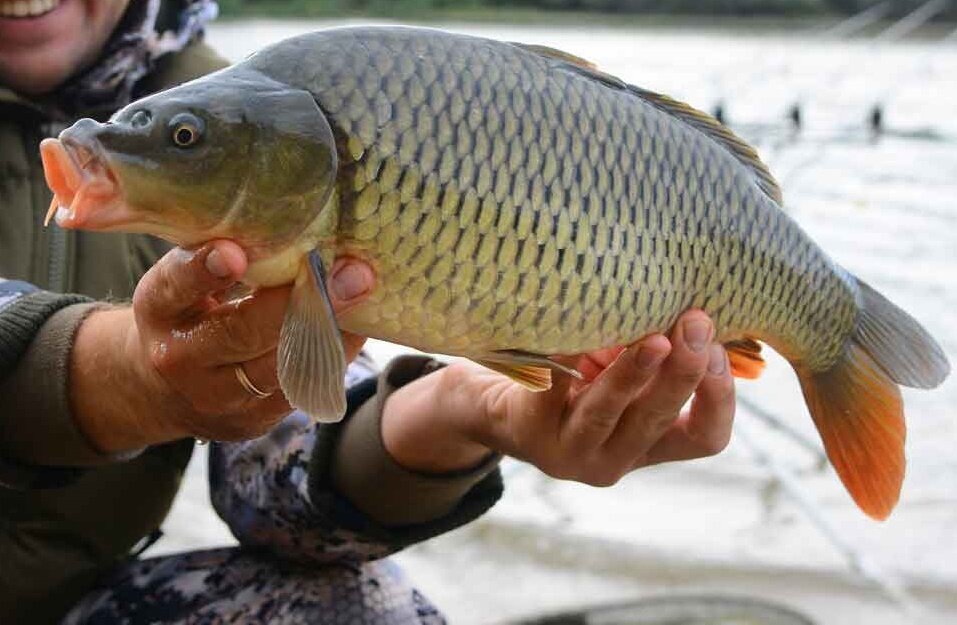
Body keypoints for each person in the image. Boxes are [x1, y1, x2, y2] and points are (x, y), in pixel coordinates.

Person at [0, 1, 736, 623]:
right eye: (183, 140)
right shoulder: (198, 128)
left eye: (183, 140)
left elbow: (273, 488)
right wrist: (116, 377)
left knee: (360, 605)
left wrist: (467, 413)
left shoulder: (227, 105)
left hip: (69, 599)